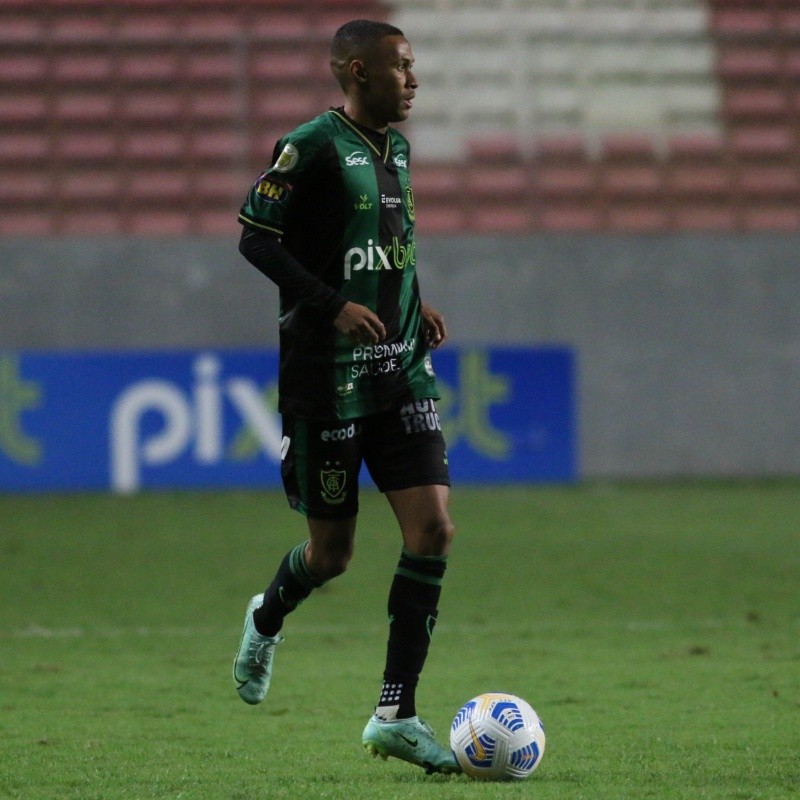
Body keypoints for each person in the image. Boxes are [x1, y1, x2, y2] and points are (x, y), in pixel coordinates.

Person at [232, 19, 459, 775]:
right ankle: (266, 619)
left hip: (400, 371)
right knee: (332, 556)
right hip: (327, 381)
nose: (414, 79)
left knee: (433, 530)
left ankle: (396, 711)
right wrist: (330, 305)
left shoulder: (395, 150)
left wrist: (415, 299)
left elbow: (391, 247)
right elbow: (256, 239)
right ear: (358, 72)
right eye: (403, 67)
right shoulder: (311, 147)